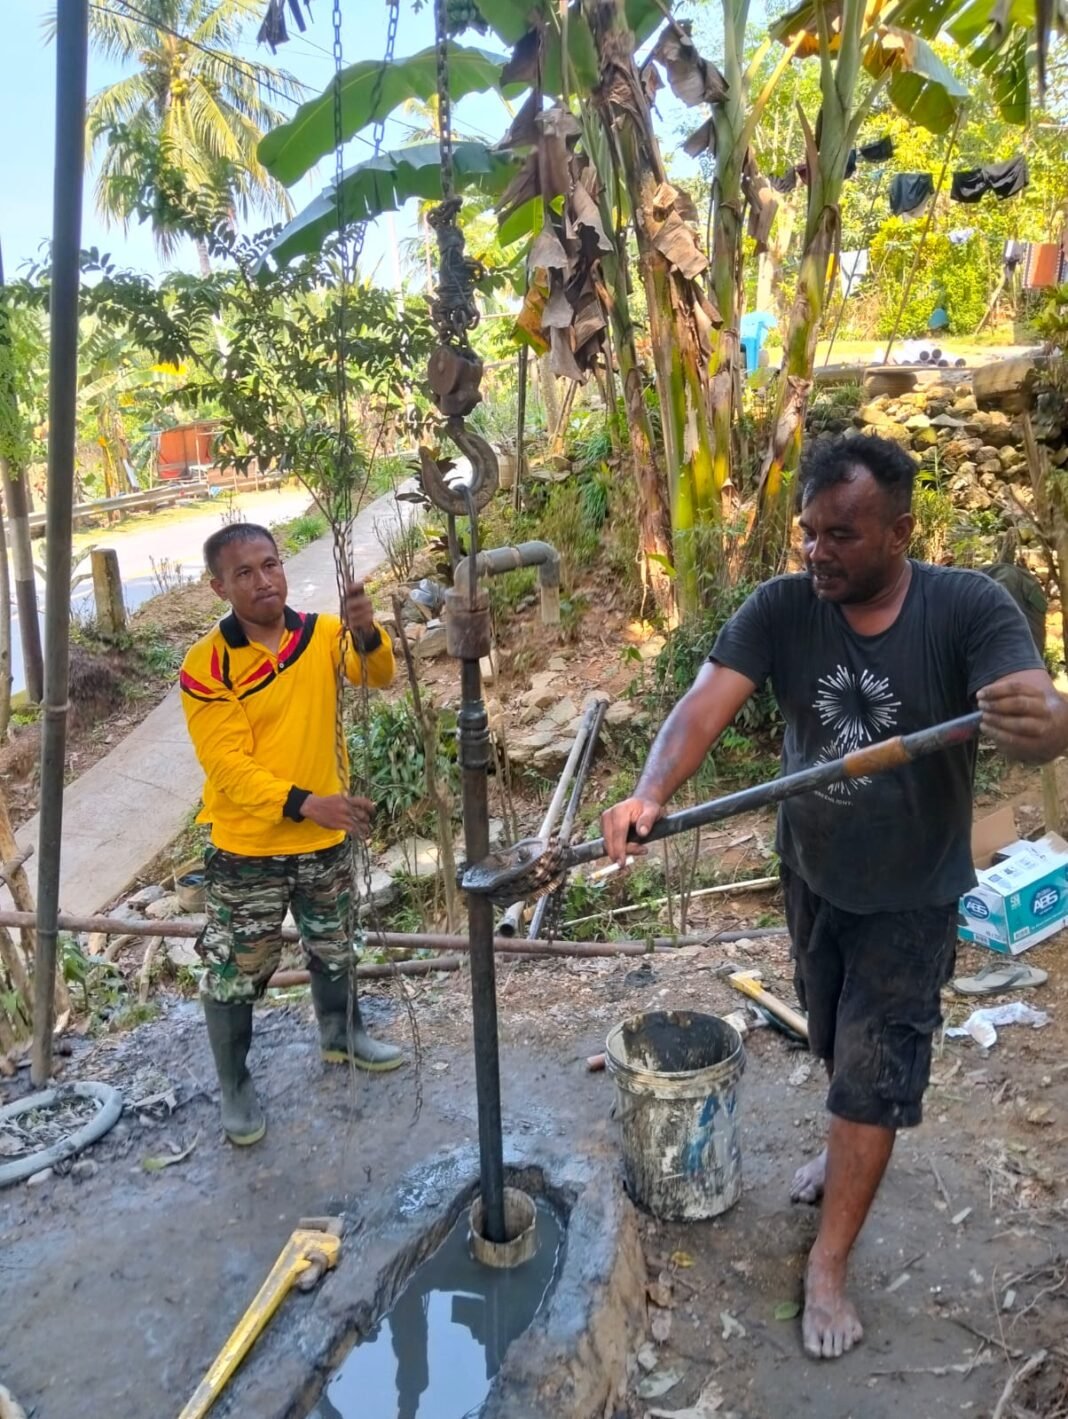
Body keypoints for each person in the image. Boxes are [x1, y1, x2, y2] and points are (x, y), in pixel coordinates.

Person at [602, 435, 1068, 1361]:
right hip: (812, 872)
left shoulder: (966, 607)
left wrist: (1048, 723)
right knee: (826, 1030)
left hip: (912, 892)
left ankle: (828, 1262)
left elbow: (1033, 717)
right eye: (809, 532)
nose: (818, 551)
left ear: (901, 531)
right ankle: (842, 1140)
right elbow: (703, 702)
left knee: (873, 1072)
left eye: (842, 535)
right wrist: (652, 791)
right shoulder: (783, 607)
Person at [180, 522, 403, 1148]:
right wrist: (309, 804)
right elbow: (229, 766)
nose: (263, 581)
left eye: (270, 564)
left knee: (336, 944)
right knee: (236, 968)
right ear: (218, 585)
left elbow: (376, 674)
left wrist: (364, 630)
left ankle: (341, 1034)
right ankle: (235, 1083)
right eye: (244, 573)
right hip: (247, 846)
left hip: (322, 838)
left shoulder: (320, 637)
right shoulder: (208, 664)